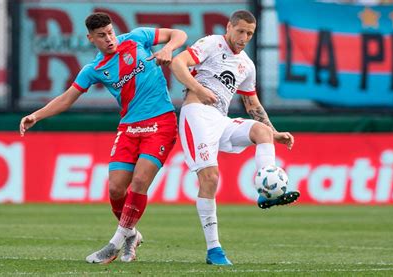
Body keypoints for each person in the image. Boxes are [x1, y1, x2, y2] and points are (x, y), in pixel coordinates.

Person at [19, 12, 187, 264]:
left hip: (160, 122)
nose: (109, 39)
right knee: (116, 188)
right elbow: (67, 98)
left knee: (140, 181)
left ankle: (114, 243)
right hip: (129, 128)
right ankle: (131, 235)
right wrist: (36, 115)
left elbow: (178, 34)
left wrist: (169, 49)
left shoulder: (137, 38)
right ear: (91, 38)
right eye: (102, 36)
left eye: (110, 32)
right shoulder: (94, 69)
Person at [169, 10, 300, 266]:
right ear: (229, 27)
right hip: (196, 114)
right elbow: (177, 63)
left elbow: (252, 103)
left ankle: (266, 190)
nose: (244, 38)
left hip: (220, 119)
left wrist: (273, 133)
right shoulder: (211, 43)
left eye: (249, 34)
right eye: (240, 31)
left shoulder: (247, 65)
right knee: (210, 177)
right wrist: (199, 89)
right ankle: (214, 249)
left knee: (260, 132)